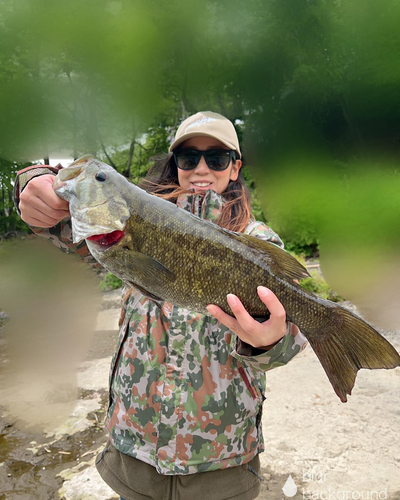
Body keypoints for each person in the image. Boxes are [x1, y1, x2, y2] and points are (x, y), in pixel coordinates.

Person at [15, 111, 308, 500]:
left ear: (235, 168)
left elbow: (288, 344)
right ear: (176, 164)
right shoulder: (127, 213)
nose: (201, 168)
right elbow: (57, 220)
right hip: (135, 453)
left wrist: (269, 341)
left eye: (217, 158)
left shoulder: (258, 241)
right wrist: (34, 181)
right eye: (188, 158)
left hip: (221, 463)